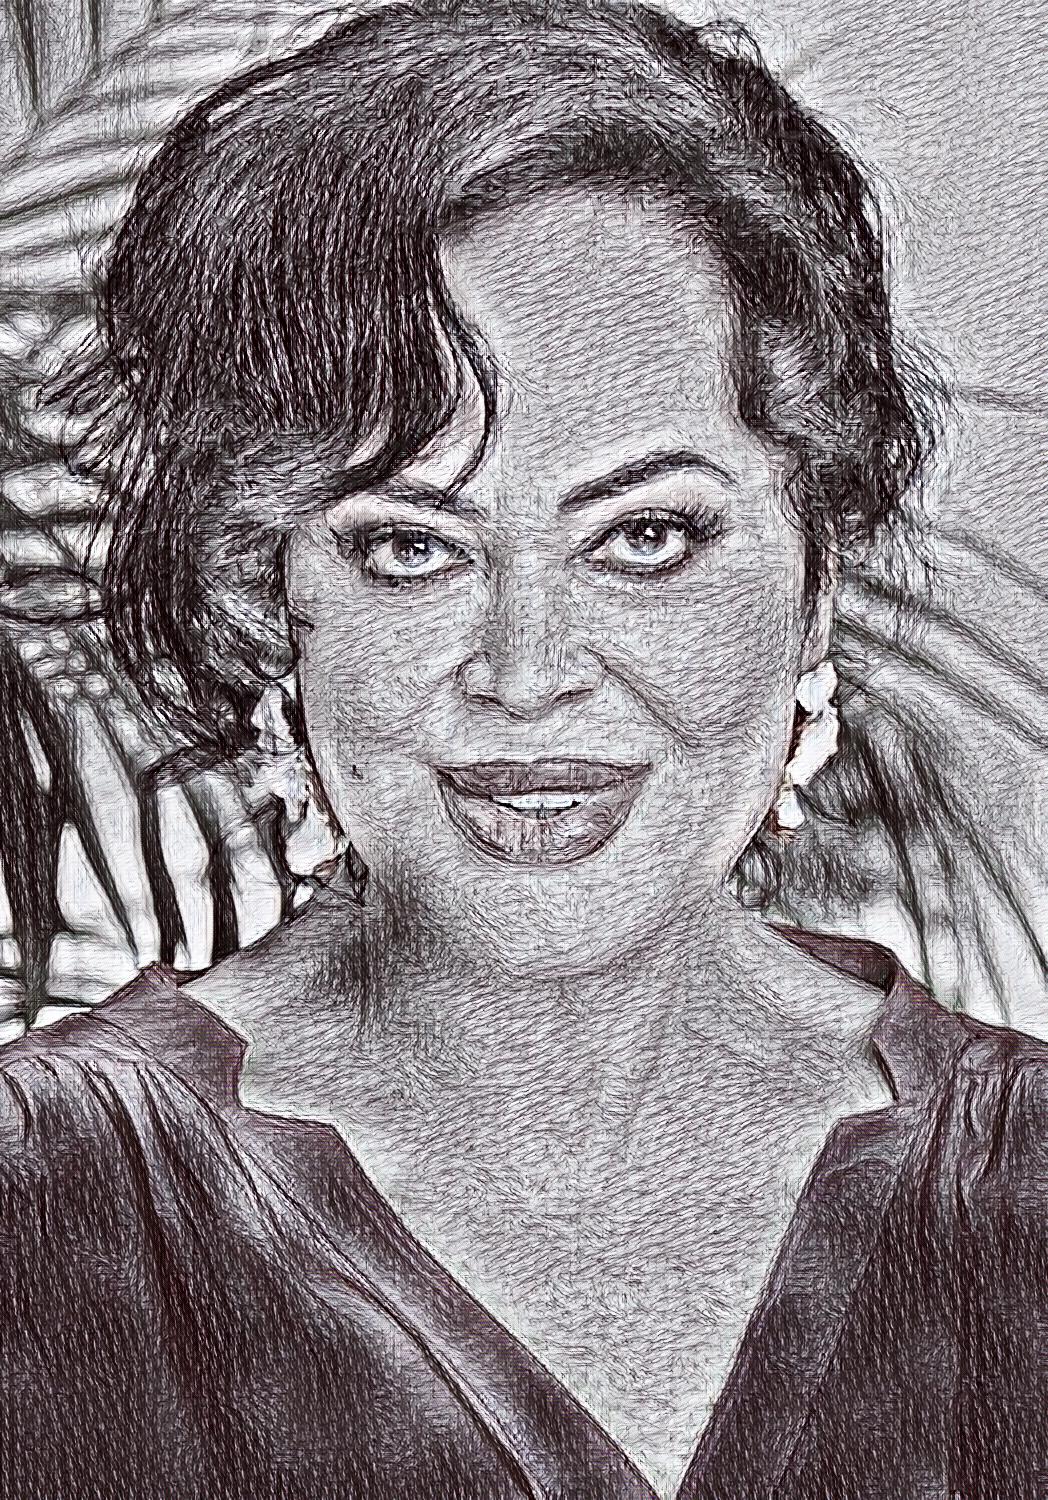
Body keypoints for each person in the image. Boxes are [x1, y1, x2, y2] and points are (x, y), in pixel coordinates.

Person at [2, 2, 1046, 1497]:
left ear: (819, 575)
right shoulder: (44, 1194)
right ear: (267, 594)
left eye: (648, 536)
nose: (528, 675)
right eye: (410, 548)